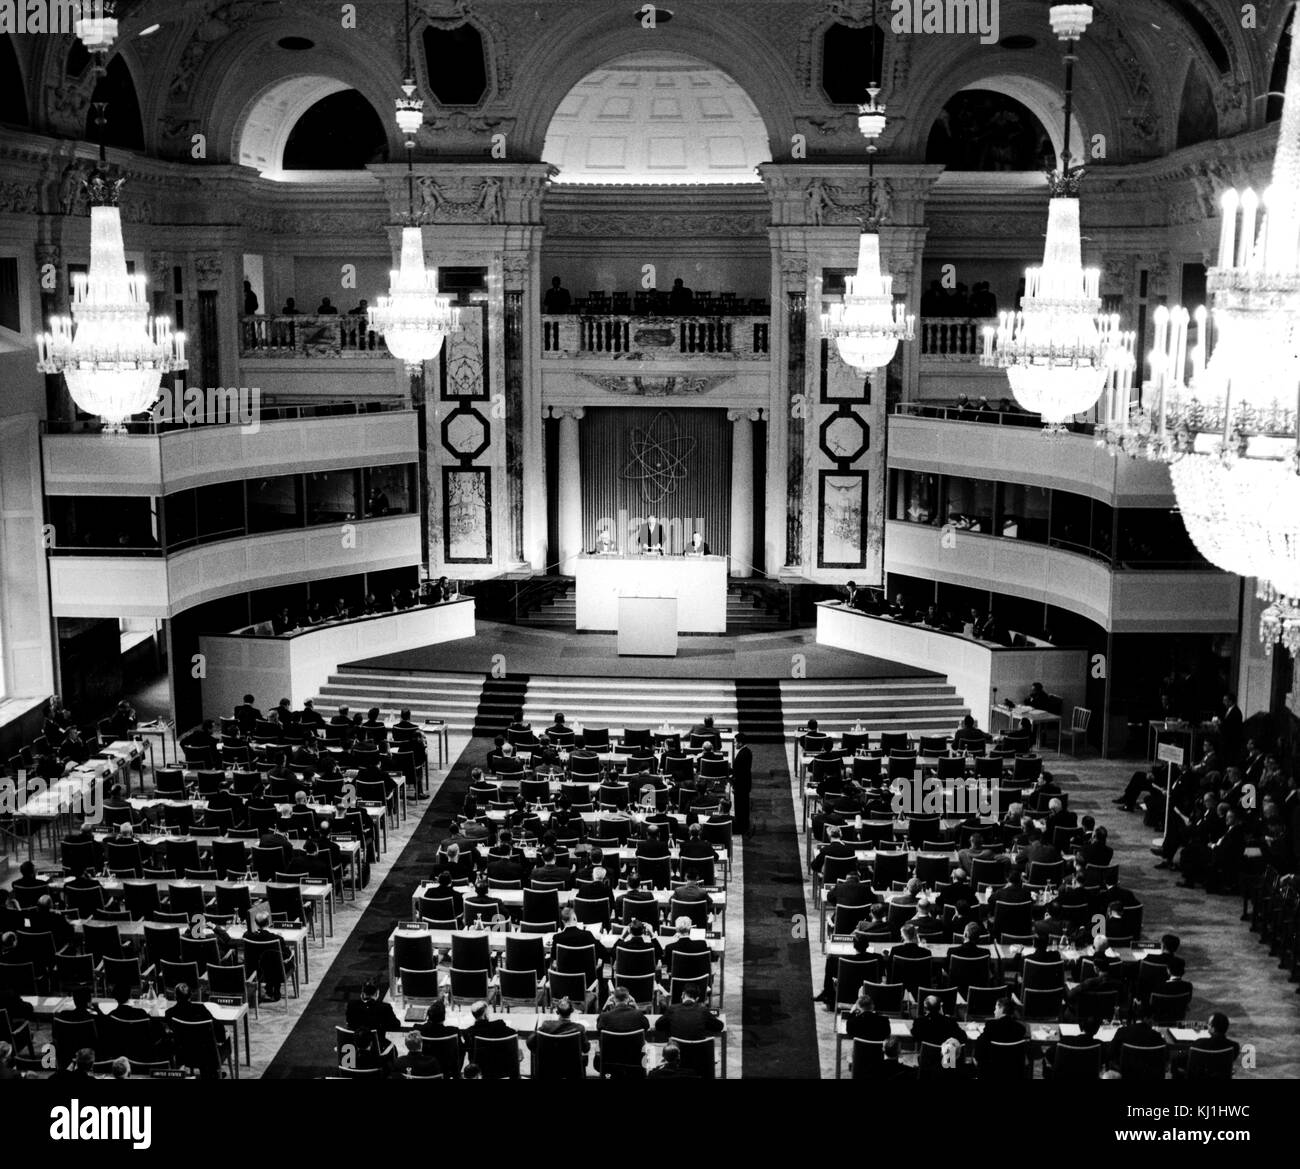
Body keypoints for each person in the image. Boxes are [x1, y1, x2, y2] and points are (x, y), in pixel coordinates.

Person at [166, 982, 231, 1064]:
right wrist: (223, 1036)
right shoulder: (200, 1009)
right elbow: (218, 1027)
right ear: (190, 995)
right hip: (206, 1055)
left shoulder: (169, 1013)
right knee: (225, 1037)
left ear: (175, 996)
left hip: (183, 1055)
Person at [245, 910, 296, 1001]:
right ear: (268, 922)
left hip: (257, 971)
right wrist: (292, 952)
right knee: (285, 958)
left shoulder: (248, 937)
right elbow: (287, 955)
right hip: (276, 972)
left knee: (268, 959)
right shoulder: (277, 938)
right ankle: (275, 989)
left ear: (256, 923)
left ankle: (269, 988)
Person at [655, 985, 723, 1041]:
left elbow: (658, 1025)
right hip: (699, 1052)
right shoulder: (703, 1010)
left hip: (677, 1051)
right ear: (697, 999)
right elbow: (720, 1026)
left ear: (682, 995)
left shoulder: (672, 1009)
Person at [974, 996, 1027, 1067]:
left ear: (1001, 1009)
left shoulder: (991, 1025)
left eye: (996, 1008)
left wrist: (976, 1058)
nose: (994, 1011)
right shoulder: (1020, 1028)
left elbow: (980, 1045)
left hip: (992, 1068)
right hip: (1013, 1068)